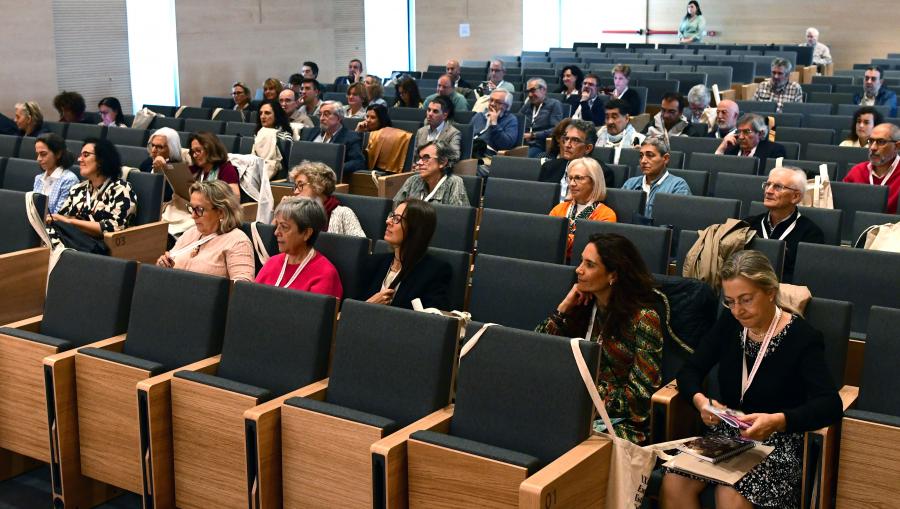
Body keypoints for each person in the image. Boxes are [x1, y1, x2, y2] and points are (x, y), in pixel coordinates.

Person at [660, 250, 842, 509]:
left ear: (769, 291)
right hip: (729, 433)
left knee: (730, 495)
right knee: (674, 482)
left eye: (746, 299)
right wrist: (702, 403)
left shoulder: (803, 337)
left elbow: (830, 404)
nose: (737, 311)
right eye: (730, 301)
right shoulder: (731, 324)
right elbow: (690, 370)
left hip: (779, 441)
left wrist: (778, 421)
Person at [536, 233, 663, 445]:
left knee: (562, 439)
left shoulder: (643, 319)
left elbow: (640, 399)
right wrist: (562, 309)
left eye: (590, 264)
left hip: (619, 423)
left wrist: (585, 392)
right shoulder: (582, 306)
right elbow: (538, 349)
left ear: (613, 275)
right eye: (580, 261)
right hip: (573, 405)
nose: (579, 269)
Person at [46, 138, 137, 247]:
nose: (79, 159)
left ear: (101, 160)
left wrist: (71, 222)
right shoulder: (77, 189)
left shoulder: (120, 189)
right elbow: (59, 219)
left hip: (97, 249)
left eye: (86, 155)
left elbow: (114, 227)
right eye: (81, 155)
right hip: (70, 240)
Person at [156, 181, 254, 281]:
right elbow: (170, 264)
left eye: (199, 210)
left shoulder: (238, 242)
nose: (193, 216)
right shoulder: (190, 233)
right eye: (191, 208)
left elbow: (242, 289)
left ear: (221, 212)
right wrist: (164, 266)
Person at [365, 199, 451, 309]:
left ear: (414, 229)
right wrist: (368, 306)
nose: (388, 221)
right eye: (391, 215)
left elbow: (433, 320)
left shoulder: (435, 272)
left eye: (397, 219)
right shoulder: (373, 263)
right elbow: (351, 309)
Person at [745, 167, 824, 282]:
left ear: (795, 197)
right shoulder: (748, 225)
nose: (768, 191)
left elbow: (803, 279)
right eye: (768, 185)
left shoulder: (811, 235)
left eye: (778, 187)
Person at [255, 197, 343, 298]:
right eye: (277, 225)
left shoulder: (325, 274)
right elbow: (251, 301)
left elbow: (315, 313)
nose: (276, 232)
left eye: (284, 227)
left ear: (306, 233)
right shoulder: (271, 263)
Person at [549, 157, 617, 259]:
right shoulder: (558, 209)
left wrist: (563, 238)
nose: (572, 184)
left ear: (594, 181)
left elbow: (593, 250)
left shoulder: (606, 215)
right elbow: (548, 240)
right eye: (570, 178)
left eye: (578, 178)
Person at [623, 136, 692, 219]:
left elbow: (677, 220)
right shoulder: (630, 184)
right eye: (641, 156)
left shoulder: (678, 186)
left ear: (665, 159)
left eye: (650, 155)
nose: (643, 161)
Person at [289, 161, 364, 236]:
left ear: (319, 186)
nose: (295, 192)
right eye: (295, 187)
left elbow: (359, 245)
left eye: (300, 185)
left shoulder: (344, 213)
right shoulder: (296, 214)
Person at [541, 120, 611, 199]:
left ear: (588, 148)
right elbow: (539, 199)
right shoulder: (549, 167)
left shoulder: (601, 173)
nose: (567, 145)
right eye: (566, 139)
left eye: (575, 140)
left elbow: (597, 206)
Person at [843, 122, 900, 213]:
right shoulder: (857, 171)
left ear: (897, 146)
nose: (873, 147)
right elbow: (843, 205)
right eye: (870, 141)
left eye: (881, 142)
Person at [394, 141, 469, 206]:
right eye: (419, 158)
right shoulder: (412, 181)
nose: (419, 162)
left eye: (426, 158)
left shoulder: (454, 183)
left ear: (443, 162)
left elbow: (458, 218)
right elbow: (395, 210)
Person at [300, 101, 366, 175]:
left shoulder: (351, 137)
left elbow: (358, 162)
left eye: (326, 114)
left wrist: (333, 170)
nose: (321, 118)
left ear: (339, 118)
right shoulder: (311, 132)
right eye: (320, 114)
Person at [715, 113, 787, 171]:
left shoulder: (774, 151)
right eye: (739, 132)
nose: (741, 137)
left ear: (760, 133)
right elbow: (717, 171)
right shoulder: (731, 147)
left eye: (746, 132)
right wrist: (721, 149)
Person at [358, 104, 413, 173]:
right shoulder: (363, 132)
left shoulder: (389, 135)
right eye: (367, 116)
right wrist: (358, 132)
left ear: (381, 120)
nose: (368, 120)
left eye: (373, 117)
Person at [33, 133, 79, 214]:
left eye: (43, 154)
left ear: (58, 154)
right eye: (37, 154)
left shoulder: (69, 180)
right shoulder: (38, 178)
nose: (38, 159)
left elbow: (60, 215)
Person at [522, 78, 565, 158]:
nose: (530, 95)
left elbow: (555, 129)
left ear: (544, 90)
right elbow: (518, 121)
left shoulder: (554, 104)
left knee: (523, 157)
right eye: (528, 92)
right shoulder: (528, 106)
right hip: (522, 143)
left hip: (540, 144)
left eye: (533, 90)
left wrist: (533, 135)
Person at [188, 132, 240, 197]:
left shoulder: (226, 169)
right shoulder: (194, 169)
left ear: (211, 149)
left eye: (198, 150)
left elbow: (235, 197)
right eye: (192, 152)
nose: (194, 155)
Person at [471, 89, 519, 156]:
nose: (492, 104)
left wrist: (494, 124)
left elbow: (506, 145)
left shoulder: (511, 120)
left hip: (489, 157)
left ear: (507, 106)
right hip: (471, 153)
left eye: (498, 102)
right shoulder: (479, 116)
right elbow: (467, 136)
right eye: (491, 100)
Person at [415, 96, 461, 162]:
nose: (430, 114)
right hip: (418, 168)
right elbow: (414, 155)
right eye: (429, 110)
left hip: (438, 169)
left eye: (435, 111)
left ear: (444, 115)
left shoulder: (453, 133)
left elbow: (455, 156)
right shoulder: (421, 131)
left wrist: (434, 154)